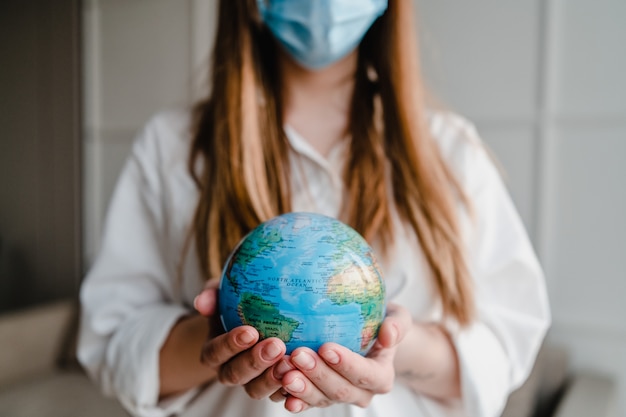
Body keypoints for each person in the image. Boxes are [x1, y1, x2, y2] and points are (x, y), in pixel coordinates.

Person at [77, 0, 551, 416]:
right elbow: (111, 345)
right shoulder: (173, 148)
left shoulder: (451, 152)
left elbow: (504, 346)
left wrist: (389, 347)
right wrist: (209, 341)